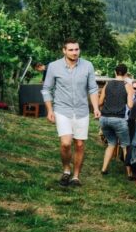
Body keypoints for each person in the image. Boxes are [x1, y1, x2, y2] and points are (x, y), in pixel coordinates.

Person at [41, 38, 100, 187]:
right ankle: (66, 169)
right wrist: (50, 110)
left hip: (82, 110)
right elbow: (47, 89)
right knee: (66, 143)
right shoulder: (54, 67)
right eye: (71, 50)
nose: (75, 53)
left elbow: (93, 88)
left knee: (79, 144)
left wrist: (96, 107)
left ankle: (75, 176)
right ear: (64, 51)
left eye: (77, 49)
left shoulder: (87, 66)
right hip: (62, 109)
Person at [98, 64, 135, 175]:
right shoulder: (127, 85)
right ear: (125, 73)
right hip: (119, 119)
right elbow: (130, 105)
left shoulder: (107, 84)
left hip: (104, 119)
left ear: (115, 72)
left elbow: (100, 102)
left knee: (111, 143)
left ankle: (104, 169)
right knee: (125, 145)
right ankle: (129, 173)